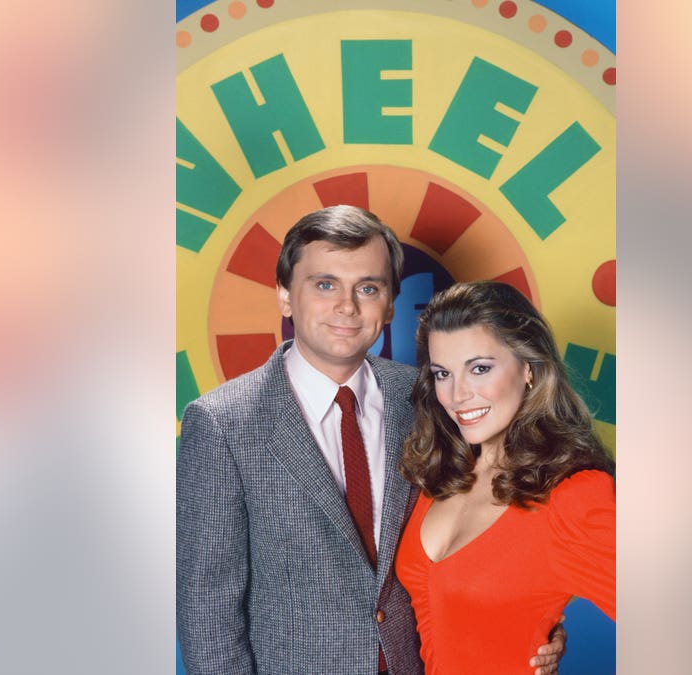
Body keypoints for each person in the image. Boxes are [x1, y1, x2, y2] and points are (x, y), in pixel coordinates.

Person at [177, 207, 565, 674]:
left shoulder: (427, 396)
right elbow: (207, 605)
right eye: (325, 285)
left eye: (368, 288)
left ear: (390, 304)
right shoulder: (223, 424)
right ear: (284, 295)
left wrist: (528, 619)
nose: (347, 306)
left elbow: (481, 527)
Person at [396, 280, 617, 674]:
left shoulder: (573, 495)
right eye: (442, 374)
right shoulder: (438, 474)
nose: (458, 394)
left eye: (479, 369)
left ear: (528, 368)